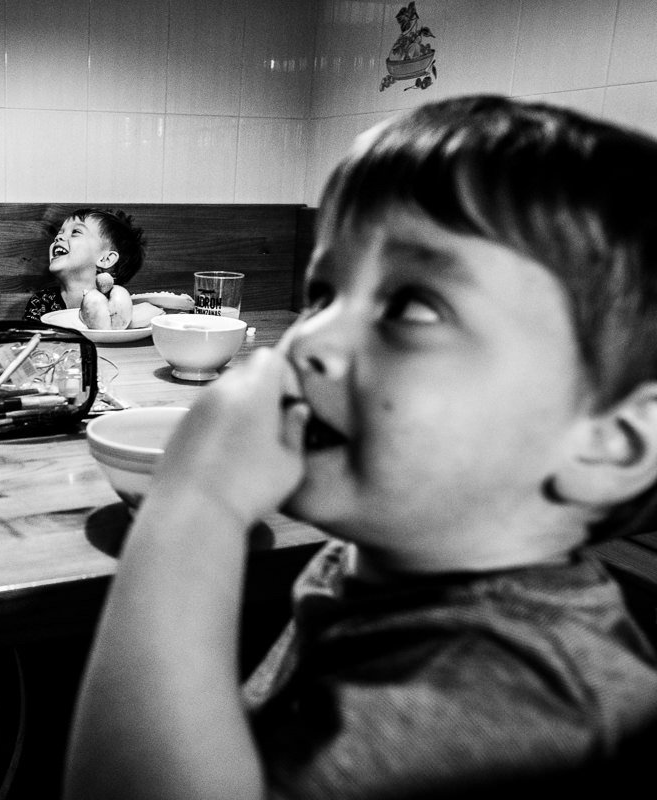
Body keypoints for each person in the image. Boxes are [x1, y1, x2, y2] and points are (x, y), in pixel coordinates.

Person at [65, 95, 657, 800]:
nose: (309, 340)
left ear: (608, 445)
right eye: (324, 293)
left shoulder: (527, 693)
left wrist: (200, 499)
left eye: (412, 305)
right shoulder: (385, 558)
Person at [23, 208, 146, 321]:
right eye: (60, 232)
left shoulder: (118, 305)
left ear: (106, 259)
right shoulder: (42, 302)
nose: (58, 237)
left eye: (75, 232)